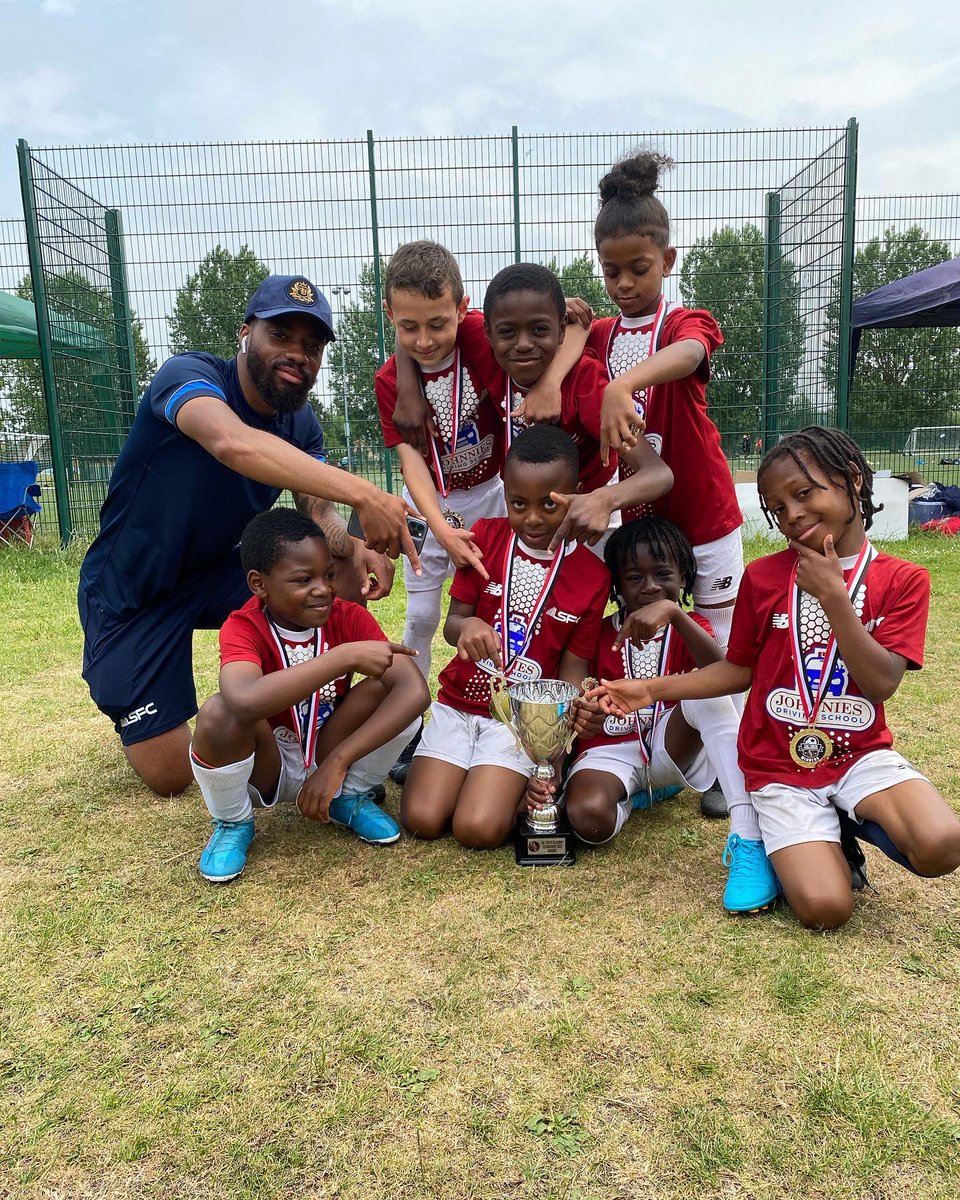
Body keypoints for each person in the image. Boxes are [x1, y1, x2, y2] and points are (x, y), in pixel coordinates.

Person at [593, 428, 960, 931]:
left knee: (942, 847)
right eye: (777, 507)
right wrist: (650, 689)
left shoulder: (902, 579)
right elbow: (738, 670)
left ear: (852, 481)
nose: (792, 515)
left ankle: (846, 817)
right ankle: (806, 836)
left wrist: (833, 596)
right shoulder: (764, 577)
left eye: (804, 494)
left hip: (858, 754)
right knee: (826, 910)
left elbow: (879, 684)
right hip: (776, 764)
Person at [79, 274, 421, 797]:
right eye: (280, 336)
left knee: (341, 566)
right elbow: (232, 444)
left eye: (311, 345)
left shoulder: (301, 423)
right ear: (245, 334)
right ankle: (159, 698)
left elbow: (319, 516)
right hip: (134, 593)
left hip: (220, 572)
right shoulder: (188, 375)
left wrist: (354, 546)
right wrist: (367, 494)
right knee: (171, 776)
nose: (297, 354)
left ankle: (322, 717)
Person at [587, 150, 746, 818]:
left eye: (639, 268)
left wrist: (625, 382)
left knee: (714, 651)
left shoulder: (685, 322)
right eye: (610, 270)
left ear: (669, 261)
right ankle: (638, 749)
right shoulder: (595, 334)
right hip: (636, 531)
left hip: (704, 520)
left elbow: (688, 357)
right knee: (640, 637)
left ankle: (725, 778)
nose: (624, 283)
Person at [528, 517, 777, 914]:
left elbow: (728, 676)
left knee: (708, 693)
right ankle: (634, 797)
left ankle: (749, 835)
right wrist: (584, 711)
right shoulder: (598, 631)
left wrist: (675, 615)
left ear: (684, 577)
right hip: (612, 749)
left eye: (663, 574)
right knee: (589, 820)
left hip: (670, 745)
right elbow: (575, 692)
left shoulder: (691, 625)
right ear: (616, 585)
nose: (649, 587)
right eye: (634, 577)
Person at [190, 507, 429, 883]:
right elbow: (244, 700)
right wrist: (343, 656)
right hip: (268, 764)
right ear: (259, 584)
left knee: (389, 694)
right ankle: (233, 822)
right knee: (219, 713)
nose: (323, 589)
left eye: (328, 575)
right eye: (304, 579)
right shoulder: (243, 625)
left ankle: (348, 796)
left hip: (328, 750)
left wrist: (339, 760)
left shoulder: (348, 616)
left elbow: (415, 691)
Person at [400, 425, 609, 849]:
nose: (532, 518)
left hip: (518, 723)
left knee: (477, 829)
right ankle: (478, 780)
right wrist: (470, 626)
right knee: (422, 819)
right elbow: (453, 624)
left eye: (550, 504)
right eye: (518, 503)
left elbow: (572, 669)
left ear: (577, 493)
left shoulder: (592, 574)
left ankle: (516, 796)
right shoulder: (487, 538)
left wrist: (554, 748)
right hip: (459, 704)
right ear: (506, 493)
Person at [482, 262, 674, 556]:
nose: (523, 344)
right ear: (487, 334)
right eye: (507, 331)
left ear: (561, 330)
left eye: (539, 329)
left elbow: (658, 474)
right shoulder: (488, 359)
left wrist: (604, 500)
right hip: (523, 523)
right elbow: (421, 314)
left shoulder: (584, 382)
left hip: (584, 529)